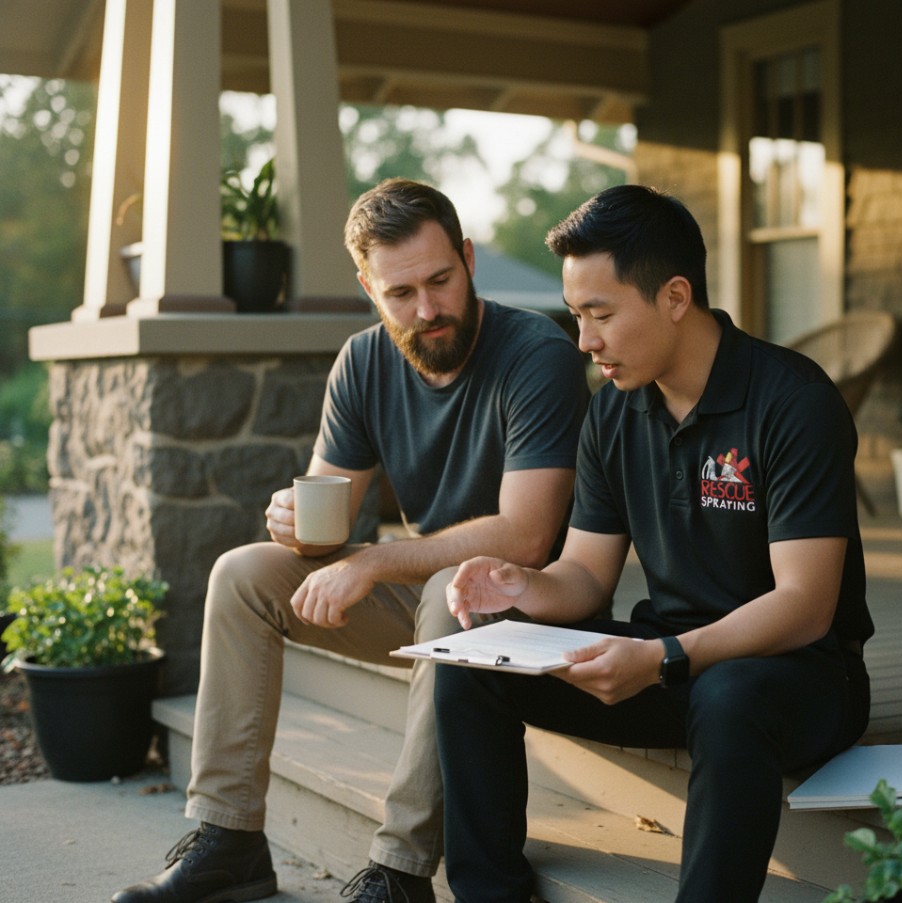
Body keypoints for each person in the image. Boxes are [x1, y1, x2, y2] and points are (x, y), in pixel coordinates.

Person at [112, 178, 590, 903]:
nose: (427, 310)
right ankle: (230, 836)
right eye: (401, 293)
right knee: (242, 573)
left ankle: (399, 870)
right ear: (369, 287)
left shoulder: (536, 354)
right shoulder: (365, 362)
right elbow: (327, 509)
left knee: (446, 590)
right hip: (436, 601)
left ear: (466, 259)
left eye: (440, 280)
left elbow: (526, 534)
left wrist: (371, 559)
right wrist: (297, 528)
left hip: (539, 606)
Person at [436, 184, 874, 903]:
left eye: (601, 315)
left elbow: (806, 604)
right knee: (472, 662)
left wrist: (669, 656)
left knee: (731, 692)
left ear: (675, 296)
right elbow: (584, 572)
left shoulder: (792, 401)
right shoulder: (612, 410)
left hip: (797, 677)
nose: (584, 341)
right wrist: (519, 586)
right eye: (577, 317)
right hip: (669, 662)